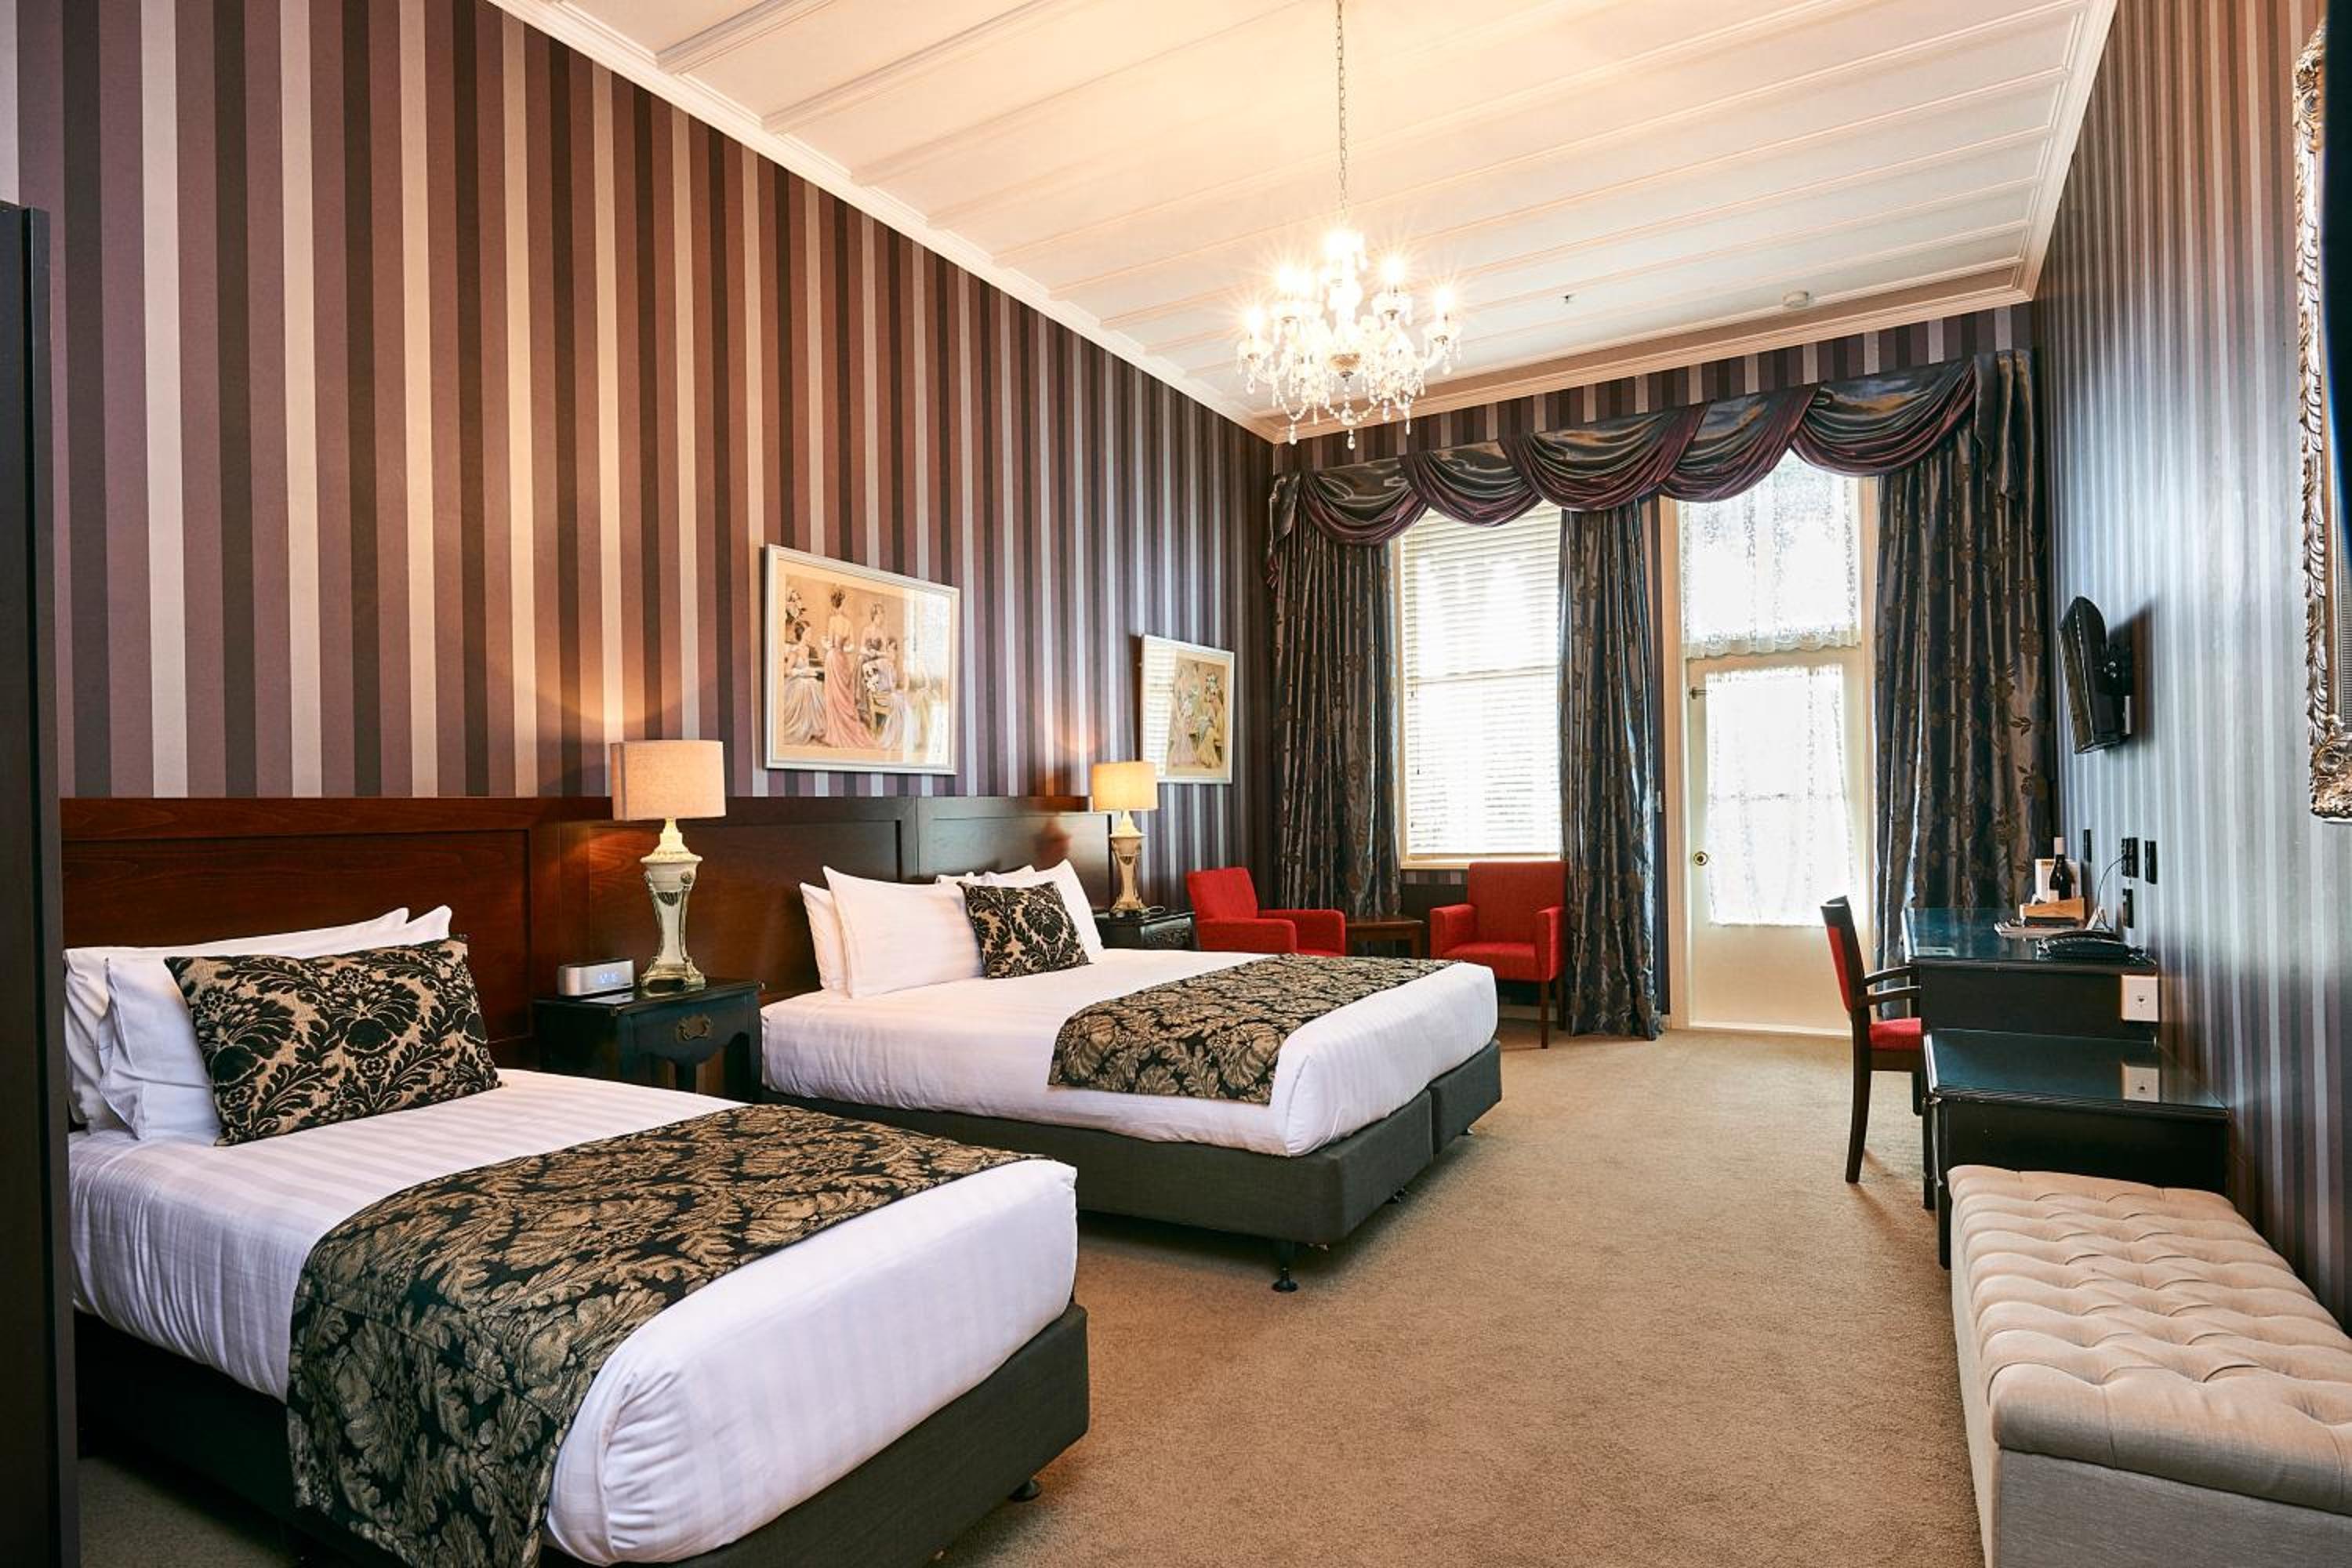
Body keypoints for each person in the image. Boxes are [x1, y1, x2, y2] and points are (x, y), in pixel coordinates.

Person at [822, 588, 872, 749]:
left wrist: (824, 643)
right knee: (843, 694)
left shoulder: (832, 620)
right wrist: (843, 648)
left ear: (834, 604)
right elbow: (851, 647)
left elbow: (830, 643)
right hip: (843, 659)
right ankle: (842, 725)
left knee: (834, 695)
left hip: (832, 658)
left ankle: (834, 730)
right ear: (842, 603)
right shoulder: (848, 623)